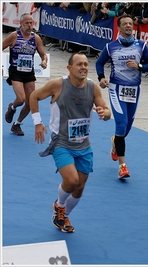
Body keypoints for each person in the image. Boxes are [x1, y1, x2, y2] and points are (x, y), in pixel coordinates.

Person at [29, 52, 112, 233]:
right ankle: (59, 206)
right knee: (72, 181)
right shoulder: (58, 85)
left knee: (80, 187)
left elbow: (106, 112)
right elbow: (34, 96)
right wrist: (37, 123)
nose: (83, 67)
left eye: (85, 64)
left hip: (83, 144)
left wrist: (104, 113)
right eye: (79, 64)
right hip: (61, 142)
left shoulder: (93, 87)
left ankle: (65, 215)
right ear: (69, 68)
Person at [96, 14, 148, 179]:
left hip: (134, 90)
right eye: (125, 24)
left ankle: (116, 142)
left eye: (131, 23)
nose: (129, 26)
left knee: (127, 128)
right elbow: (99, 62)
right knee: (121, 125)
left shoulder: (141, 46)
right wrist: (101, 77)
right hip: (116, 89)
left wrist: (139, 66)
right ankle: (122, 167)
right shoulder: (111, 46)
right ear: (119, 28)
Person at [3, 13, 48, 136]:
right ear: (21, 24)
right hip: (15, 71)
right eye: (26, 23)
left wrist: (44, 61)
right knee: (21, 99)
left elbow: (43, 54)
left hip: (29, 72)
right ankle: (12, 107)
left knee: (30, 102)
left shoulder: (36, 38)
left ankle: (17, 124)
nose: (29, 25)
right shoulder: (14, 36)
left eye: (31, 23)